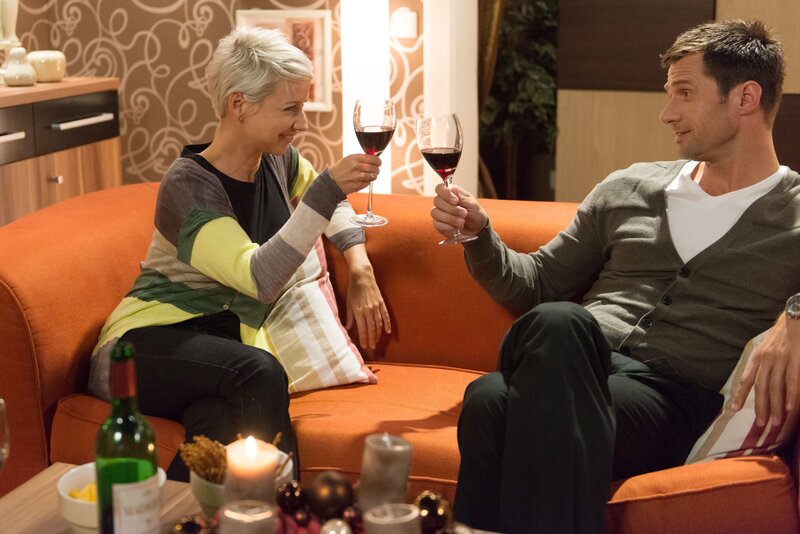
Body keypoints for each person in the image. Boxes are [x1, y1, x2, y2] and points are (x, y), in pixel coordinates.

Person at [430, 19, 800, 533]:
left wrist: (795, 315)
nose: (667, 113)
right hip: (578, 364)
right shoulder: (627, 188)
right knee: (529, 356)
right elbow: (534, 284)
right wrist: (479, 235)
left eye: (684, 93)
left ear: (745, 98)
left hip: (670, 401)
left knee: (497, 395)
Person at [88, 26, 391, 481]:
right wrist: (327, 189)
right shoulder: (188, 186)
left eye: (302, 106)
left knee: (217, 428)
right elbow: (258, 277)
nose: (302, 123)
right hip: (138, 350)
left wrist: (360, 267)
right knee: (260, 372)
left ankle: (168, 511)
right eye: (289, 109)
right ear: (239, 105)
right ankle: (287, 506)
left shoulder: (279, 161)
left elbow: (335, 207)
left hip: (215, 356)